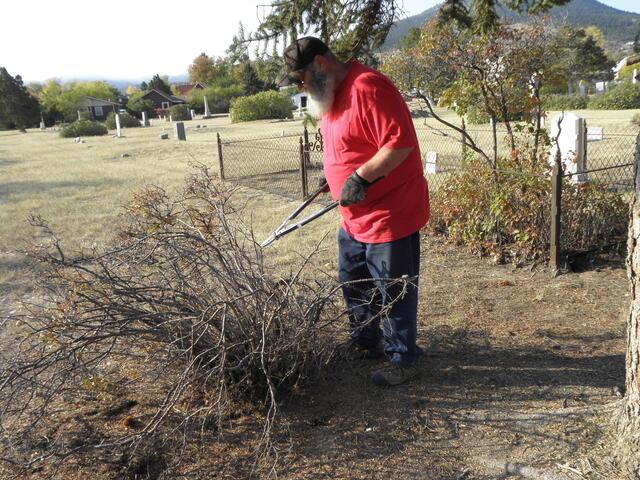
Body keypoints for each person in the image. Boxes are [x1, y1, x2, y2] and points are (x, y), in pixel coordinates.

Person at [278, 37, 429, 386]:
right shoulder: (330, 95)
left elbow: (399, 143)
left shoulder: (368, 87)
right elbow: (344, 145)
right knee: (355, 283)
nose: (301, 87)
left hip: (389, 213)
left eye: (300, 79)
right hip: (354, 216)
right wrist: (329, 175)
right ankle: (365, 342)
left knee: (393, 288)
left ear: (319, 64)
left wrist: (360, 177)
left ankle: (403, 360)